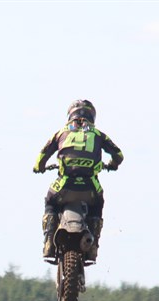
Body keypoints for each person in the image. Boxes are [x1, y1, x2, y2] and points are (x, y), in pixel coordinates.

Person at [32, 99, 124, 263]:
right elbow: (119, 155)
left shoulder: (60, 133)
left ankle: (48, 242)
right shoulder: (98, 134)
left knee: (50, 202)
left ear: (70, 115)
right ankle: (93, 246)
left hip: (64, 185)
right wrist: (112, 165)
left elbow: (42, 155)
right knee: (98, 205)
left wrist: (39, 167)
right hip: (90, 187)